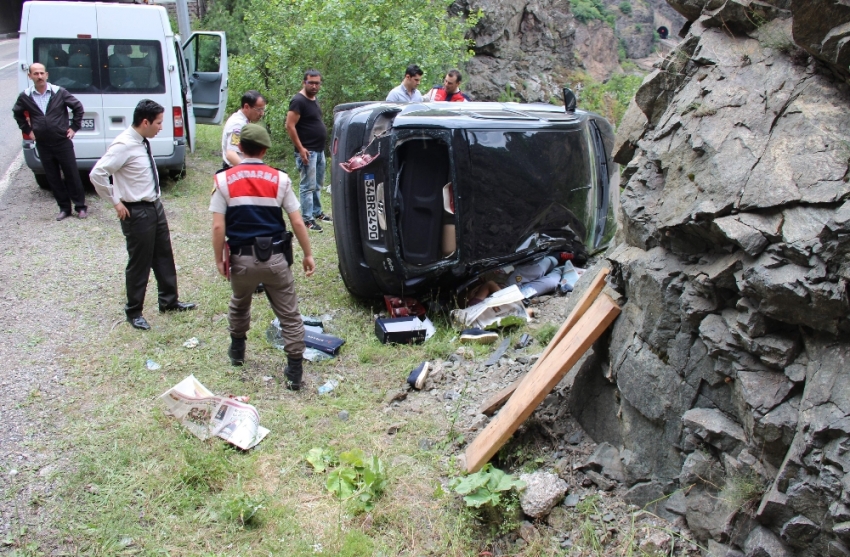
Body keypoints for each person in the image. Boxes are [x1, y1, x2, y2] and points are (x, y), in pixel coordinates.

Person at [210, 123, 315, 390]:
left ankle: (237, 352)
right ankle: (294, 373)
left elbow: (218, 226)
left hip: (241, 260)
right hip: (277, 260)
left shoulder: (223, 180)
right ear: (265, 150)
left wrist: (219, 259)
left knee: (239, 302)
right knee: (289, 315)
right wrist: (307, 254)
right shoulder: (280, 179)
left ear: (240, 148)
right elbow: (298, 222)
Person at [90, 99, 196, 331]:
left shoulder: (142, 141)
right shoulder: (124, 145)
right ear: (145, 122)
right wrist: (115, 201)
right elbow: (97, 174)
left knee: (164, 255)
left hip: (153, 206)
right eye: (158, 123)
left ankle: (169, 301)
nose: (161, 127)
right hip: (136, 211)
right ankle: (134, 311)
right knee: (140, 261)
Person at [12, 62, 88, 220]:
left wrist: (74, 127)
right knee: (53, 177)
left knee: (72, 175)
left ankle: (80, 207)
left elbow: (78, 108)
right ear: (30, 76)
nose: (39, 76)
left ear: (46, 75)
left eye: (41, 73)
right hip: (43, 143)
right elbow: (17, 113)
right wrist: (28, 131)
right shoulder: (26, 96)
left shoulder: (59, 92)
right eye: (36, 74)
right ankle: (64, 208)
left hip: (62, 141)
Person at [285, 70, 331, 232]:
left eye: (317, 83)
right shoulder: (298, 101)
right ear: (304, 82)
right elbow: (289, 125)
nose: (314, 86)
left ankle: (317, 212)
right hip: (307, 151)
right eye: (311, 82)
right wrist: (301, 148)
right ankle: (307, 219)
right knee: (307, 186)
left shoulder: (313, 99)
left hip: (318, 150)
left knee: (318, 184)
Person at [221, 90, 267, 170]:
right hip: (234, 170)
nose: (262, 113)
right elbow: (231, 154)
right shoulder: (237, 125)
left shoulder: (244, 121)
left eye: (263, 109)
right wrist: (249, 172)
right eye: (259, 110)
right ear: (246, 107)